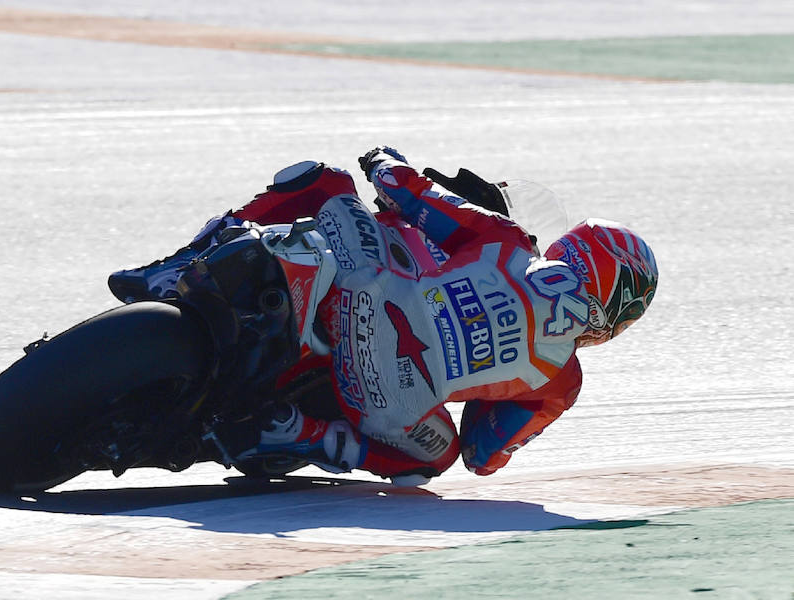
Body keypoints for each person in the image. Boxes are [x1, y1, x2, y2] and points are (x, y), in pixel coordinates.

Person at [108, 148, 658, 485]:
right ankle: (300, 433)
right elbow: (482, 456)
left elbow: (409, 193)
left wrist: (382, 159)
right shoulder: (560, 384)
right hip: (385, 397)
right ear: (616, 313)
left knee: (321, 180)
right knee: (435, 459)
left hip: (359, 291)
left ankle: (172, 268)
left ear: (571, 247)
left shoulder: (506, 239)